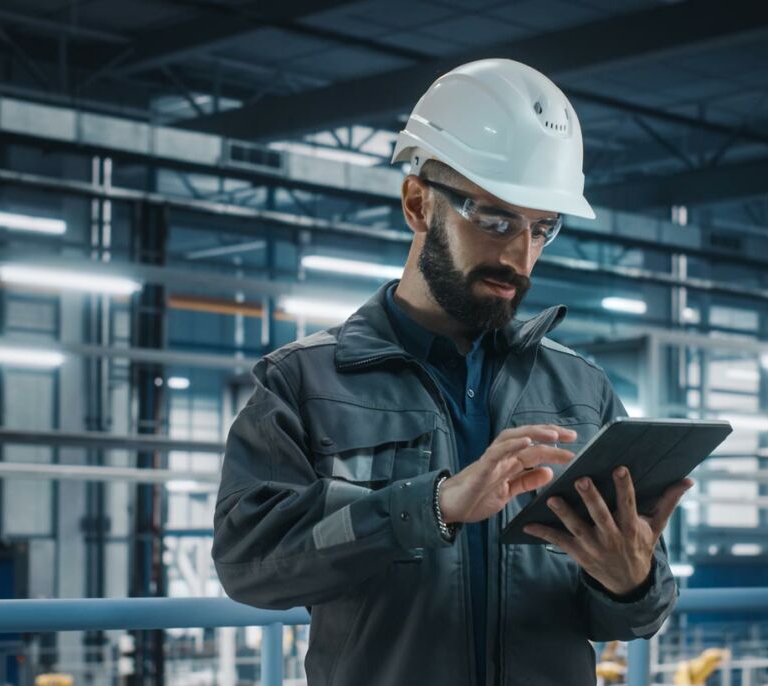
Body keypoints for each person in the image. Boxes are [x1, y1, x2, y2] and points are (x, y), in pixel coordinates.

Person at [212, 58, 689, 686]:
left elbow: (621, 617)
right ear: (417, 204)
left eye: (542, 229)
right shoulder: (305, 383)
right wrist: (431, 506)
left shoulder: (580, 391)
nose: (520, 256)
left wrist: (633, 583)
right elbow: (250, 562)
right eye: (494, 220)